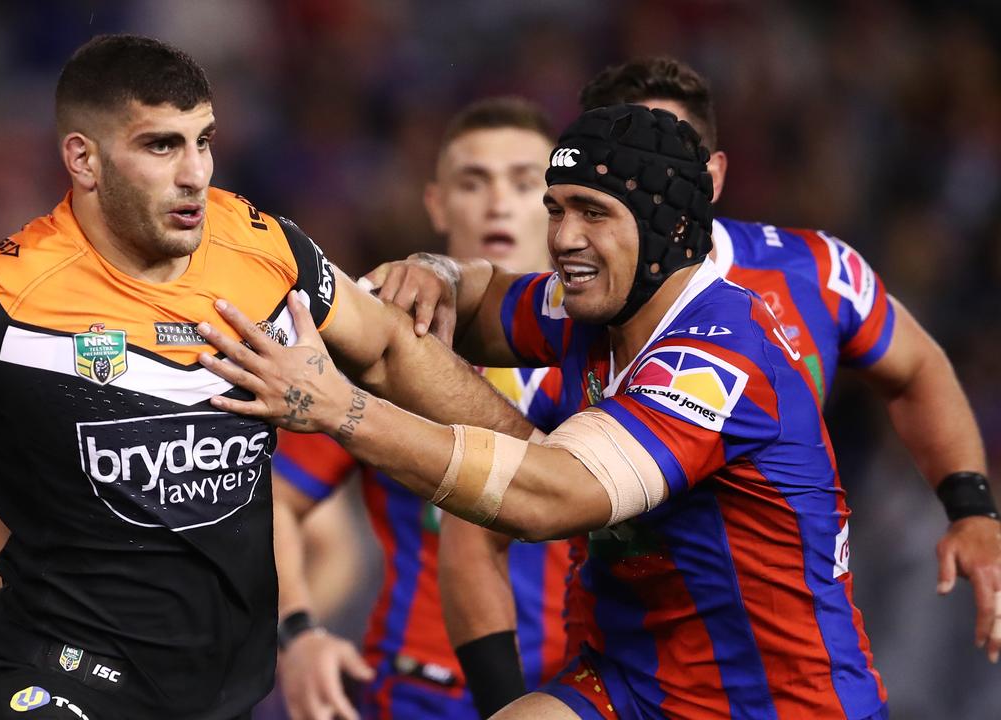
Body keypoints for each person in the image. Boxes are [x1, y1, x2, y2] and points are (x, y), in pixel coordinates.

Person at [0, 35, 534, 720]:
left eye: (204, 140)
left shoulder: (264, 250)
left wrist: (542, 461)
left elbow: (394, 350)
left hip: (227, 693)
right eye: (161, 145)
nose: (195, 174)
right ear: (82, 159)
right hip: (58, 678)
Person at [193, 102, 958, 718]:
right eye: (554, 208)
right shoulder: (595, 306)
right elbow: (479, 299)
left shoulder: (720, 357)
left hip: (774, 702)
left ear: (664, 228)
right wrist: (421, 269)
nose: (560, 238)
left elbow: (550, 496)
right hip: (628, 682)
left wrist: (344, 411)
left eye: (591, 212)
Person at [377, 57, 1001, 716]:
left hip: (786, 648)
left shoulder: (815, 272)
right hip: (634, 668)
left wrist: (972, 508)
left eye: (670, 153)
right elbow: (482, 528)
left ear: (712, 175)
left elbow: (918, 366)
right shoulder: (577, 302)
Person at [270, 97, 568, 720]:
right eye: (472, 181)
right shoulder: (380, 338)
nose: (497, 203)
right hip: (420, 694)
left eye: (523, 182)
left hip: (583, 690)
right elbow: (274, 500)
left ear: (558, 204)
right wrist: (296, 634)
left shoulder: (615, 348)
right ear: (436, 203)